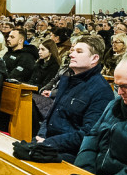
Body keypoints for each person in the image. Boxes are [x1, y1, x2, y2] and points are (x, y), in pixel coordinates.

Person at [36, 35, 114, 163]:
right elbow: (51, 115)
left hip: (70, 154)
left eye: (79, 52)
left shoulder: (101, 91)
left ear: (94, 59)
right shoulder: (67, 79)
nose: (71, 55)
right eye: (72, 51)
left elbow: (88, 133)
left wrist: (49, 143)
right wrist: (41, 136)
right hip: (48, 144)